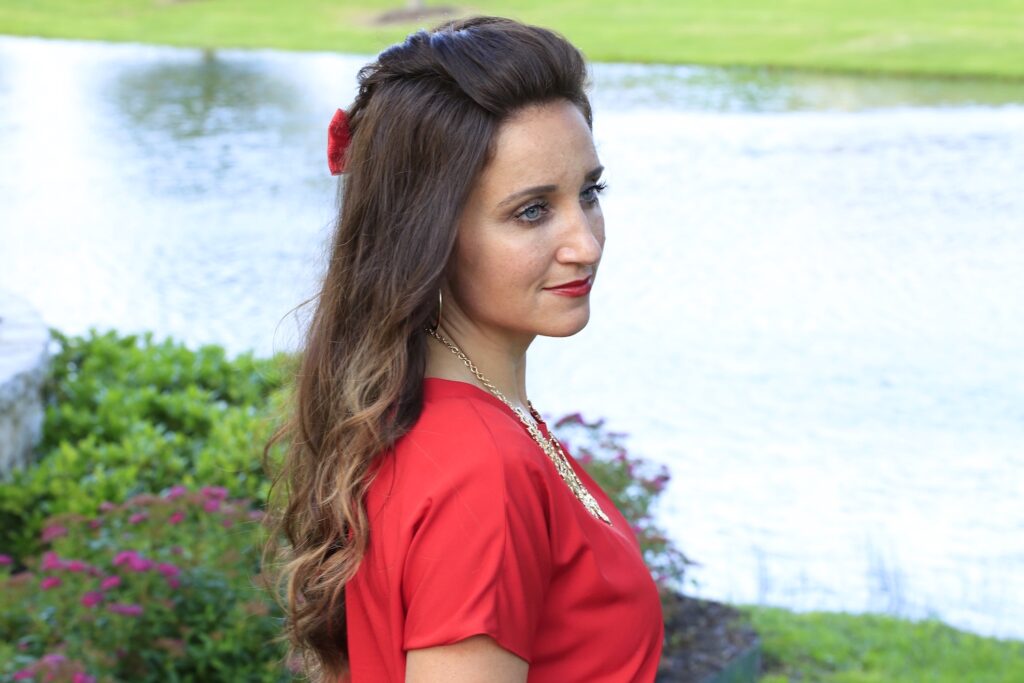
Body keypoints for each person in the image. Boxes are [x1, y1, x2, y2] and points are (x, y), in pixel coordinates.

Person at [261, 15, 665, 683]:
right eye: (532, 211)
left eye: (589, 193)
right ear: (431, 236)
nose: (586, 242)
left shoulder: (451, 421)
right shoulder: (482, 468)